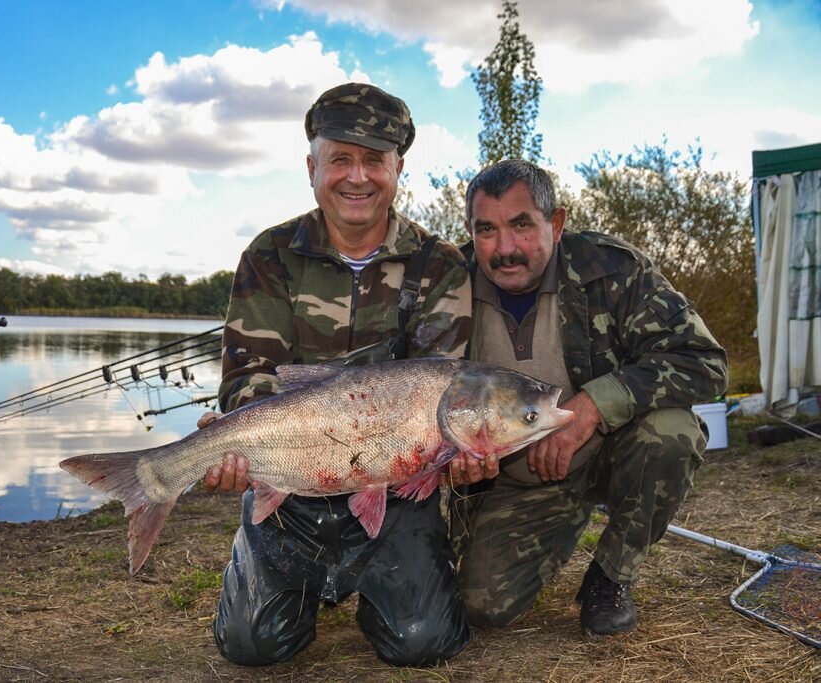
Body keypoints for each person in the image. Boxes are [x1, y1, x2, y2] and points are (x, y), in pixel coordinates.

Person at [203, 83, 473, 667]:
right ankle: (284, 585)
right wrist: (239, 438)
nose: (357, 177)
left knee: (421, 643)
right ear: (312, 167)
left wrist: (462, 453)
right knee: (253, 646)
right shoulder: (269, 256)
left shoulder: (439, 264)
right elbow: (246, 377)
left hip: (395, 492)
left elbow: (446, 388)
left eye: (374, 160)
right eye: (340, 159)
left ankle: (384, 590)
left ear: (398, 167)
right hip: (292, 482)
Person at [445, 159, 728, 636]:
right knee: (483, 607)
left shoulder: (610, 268)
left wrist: (595, 405)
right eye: (486, 230)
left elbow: (704, 361)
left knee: (672, 432)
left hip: (607, 452)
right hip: (516, 478)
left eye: (521, 225)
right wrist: (455, 454)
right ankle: (556, 523)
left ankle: (610, 575)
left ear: (555, 223)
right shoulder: (448, 284)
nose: (505, 248)